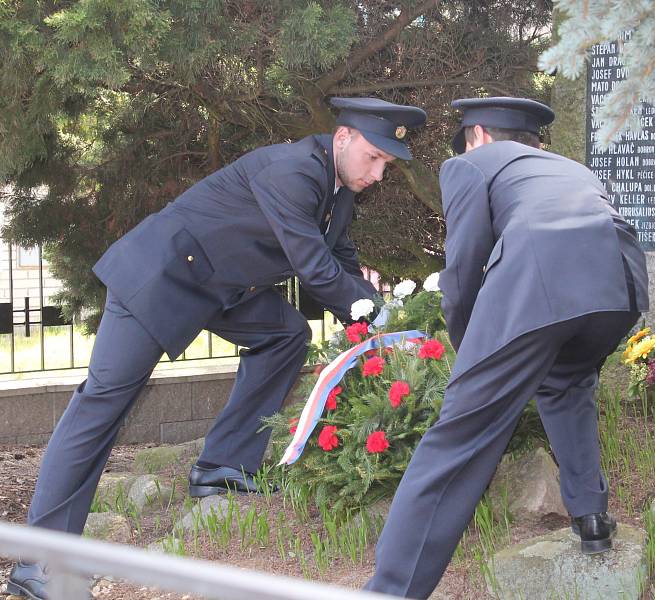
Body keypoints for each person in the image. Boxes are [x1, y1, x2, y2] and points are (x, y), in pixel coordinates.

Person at [7, 97, 426, 600]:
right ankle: (40, 561)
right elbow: (314, 267)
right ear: (343, 138)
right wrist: (376, 316)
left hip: (219, 288)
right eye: (374, 158)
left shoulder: (338, 191)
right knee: (101, 403)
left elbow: (341, 258)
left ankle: (223, 466)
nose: (379, 173)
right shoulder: (294, 171)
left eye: (387, 163)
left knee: (285, 334)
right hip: (159, 278)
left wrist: (375, 309)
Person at [364, 97, 648, 599]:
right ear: (533, 141)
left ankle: (391, 591)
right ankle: (592, 518)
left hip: (540, 275)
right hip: (619, 282)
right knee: (566, 382)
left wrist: (468, 346)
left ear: (477, 135)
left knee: (459, 436)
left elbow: (464, 265)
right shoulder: (570, 168)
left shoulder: (469, 164)